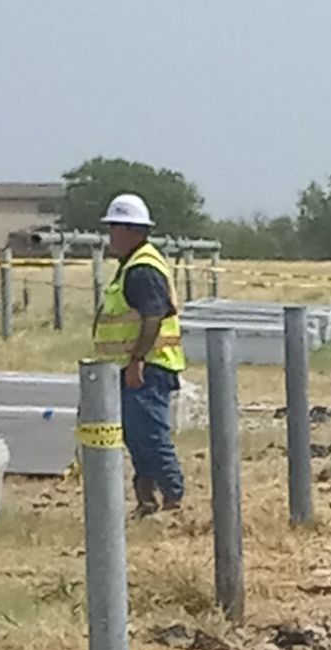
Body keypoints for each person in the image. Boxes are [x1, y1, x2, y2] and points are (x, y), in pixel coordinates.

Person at [92, 192, 186, 516]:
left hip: (148, 369)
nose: (110, 236)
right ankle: (147, 500)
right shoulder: (133, 265)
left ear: (133, 230)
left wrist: (137, 361)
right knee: (136, 436)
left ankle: (173, 499)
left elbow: (153, 316)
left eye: (115, 228)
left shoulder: (142, 269)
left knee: (150, 435)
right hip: (137, 368)